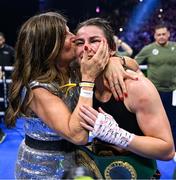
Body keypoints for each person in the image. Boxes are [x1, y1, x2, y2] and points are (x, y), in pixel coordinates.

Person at [5, 12, 138, 179]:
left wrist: (116, 61)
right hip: (42, 169)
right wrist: (88, 79)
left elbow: (134, 64)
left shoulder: (72, 67)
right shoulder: (37, 89)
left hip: (76, 159)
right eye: (66, 34)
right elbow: (78, 136)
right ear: (50, 47)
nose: (74, 36)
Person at [74, 17, 175, 179]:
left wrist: (117, 135)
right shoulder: (77, 81)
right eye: (79, 42)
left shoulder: (136, 87)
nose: (86, 47)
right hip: (96, 171)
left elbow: (167, 150)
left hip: (137, 172)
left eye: (94, 40)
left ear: (112, 48)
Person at [135, 24, 176, 150]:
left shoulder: (175, 47)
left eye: (164, 34)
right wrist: (142, 78)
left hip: (174, 91)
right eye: (159, 34)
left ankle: (173, 147)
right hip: (155, 91)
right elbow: (134, 63)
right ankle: (155, 146)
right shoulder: (148, 49)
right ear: (155, 36)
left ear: (168, 34)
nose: (161, 37)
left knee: (174, 119)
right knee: (155, 120)